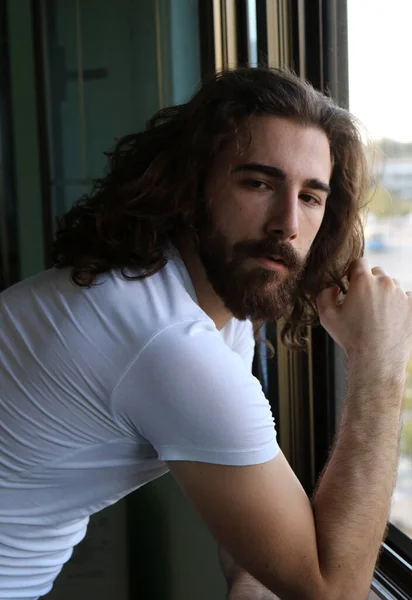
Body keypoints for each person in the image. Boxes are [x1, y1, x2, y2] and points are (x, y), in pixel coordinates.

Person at [0, 67, 411, 600]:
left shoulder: (194, 300)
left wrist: (250, 584)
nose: (287, 222)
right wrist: (379, 361)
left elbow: (248, 501)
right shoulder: (167, 342)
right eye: (259, 183)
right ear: (192, 187)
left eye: (311, 197)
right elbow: (334, 593)